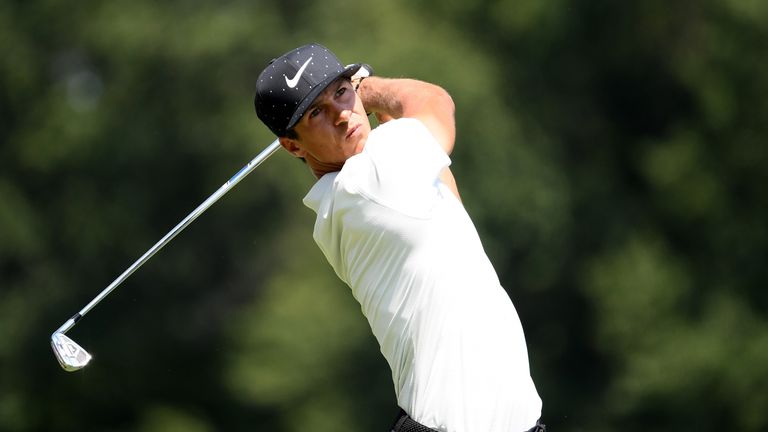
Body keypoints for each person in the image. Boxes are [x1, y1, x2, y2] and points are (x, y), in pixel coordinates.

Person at [254, 43, 545, 432]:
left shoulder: (352, 196)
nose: (342, 115)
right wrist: (367, 89)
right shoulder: (369, 179)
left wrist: (363, 104)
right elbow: (433, 101)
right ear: (292, 145)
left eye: (340, 93)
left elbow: (445, 194)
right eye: (316, 112)